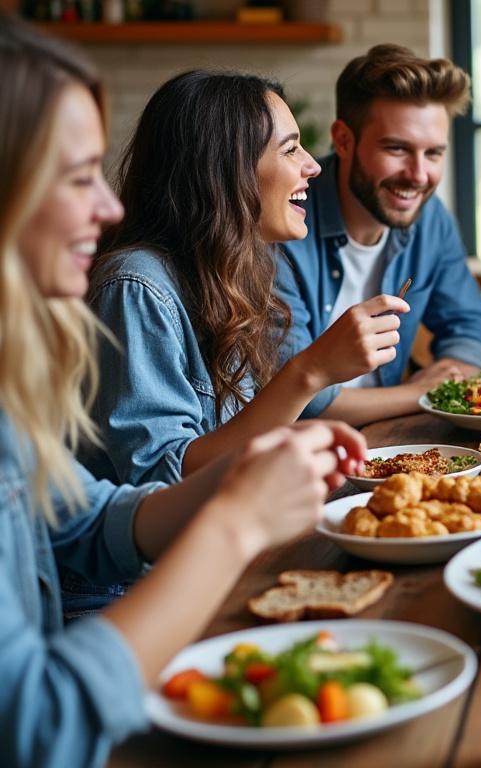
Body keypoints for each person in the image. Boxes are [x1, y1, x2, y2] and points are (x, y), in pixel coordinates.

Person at [0, 18, 365, 766]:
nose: (106, 208)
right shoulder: (137, 283)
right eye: (77, 178)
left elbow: (84, 520)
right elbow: (40, 727)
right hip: (114, 626)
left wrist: (250, 476)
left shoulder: (227, 278)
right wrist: (234, 517)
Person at [70, 70, 394, 612]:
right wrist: (309, 373)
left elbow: (234, 448)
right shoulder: (137, 286)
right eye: (291, 150)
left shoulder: (230, 272)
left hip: (207, 566)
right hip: (128, 599)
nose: (312, 166)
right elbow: (165, 485)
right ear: (228, 170)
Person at [278, 44, 481, 422]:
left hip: (388, 439)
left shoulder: (430, 219)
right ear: (344, 140)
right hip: (300, 456)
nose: (418, 175)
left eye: (433, 153)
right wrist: (424, 394)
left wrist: (449, 370)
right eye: (397, 149)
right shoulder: (282, 223)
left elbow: (474, 330)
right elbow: (300, 395)